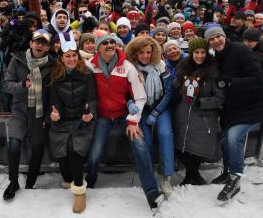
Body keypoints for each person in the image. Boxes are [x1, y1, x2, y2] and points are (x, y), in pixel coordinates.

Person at [86, 34, 164, 210]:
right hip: (103, 116)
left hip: (123, 115)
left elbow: (140, 97)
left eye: (112, 42)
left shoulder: (127, 66)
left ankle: (152, 192)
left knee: (140, 145)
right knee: (95, 154)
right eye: (104, 43)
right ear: (98, 48)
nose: (109, 45)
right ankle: (89, 183)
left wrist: (133, 121)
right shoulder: (90, 66)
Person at [204, 26, 263, 202]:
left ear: (224, 36)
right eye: (212, 39)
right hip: (233, 106)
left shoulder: (241, 50)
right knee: (225, 139)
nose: (216, 41)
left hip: (253, 105)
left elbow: (257, 79)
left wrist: (230, 83)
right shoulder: (217, 56)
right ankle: (227, 171)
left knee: (234, 137)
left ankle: (235, 179)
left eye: (218, 36)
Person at [3, 29, 54, 200]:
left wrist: (48, 116)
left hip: (40, 111)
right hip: (20, 109)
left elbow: (54, 93)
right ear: (31, 43)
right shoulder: (17, 60)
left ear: (48, 48)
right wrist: (22, 86)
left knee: (37, 148)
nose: (39, 45)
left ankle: (31, 182)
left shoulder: (52, 64)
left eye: (44, 43)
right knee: (14, 144)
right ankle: (13, 181)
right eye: (37, 42)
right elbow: (7, 85)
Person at [48, 35, 97, 213]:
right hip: (62, 121)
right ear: (61, 58)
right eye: (67, 56)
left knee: (74, 149)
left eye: (74, 55)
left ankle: (79, 191)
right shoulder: (55, 75)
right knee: (61, 151)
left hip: (82, 121)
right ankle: (68, 178)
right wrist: (54, 115)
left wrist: (89, 114)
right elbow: (54, 102)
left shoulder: (87, 74)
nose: (71, 59)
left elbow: (91, 98)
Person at [124, 37, 174, 197]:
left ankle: (166, 176)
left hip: (159, 107)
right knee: (144, 140)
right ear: (135, 53)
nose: (145, 56)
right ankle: (149, 175)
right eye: (141, 52)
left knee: (165, 134)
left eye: (148, 52)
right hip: (141, 109)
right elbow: (124, 91)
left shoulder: (160, 66)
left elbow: (168, 93)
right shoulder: (129, 67)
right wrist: (129, 103)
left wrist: (156, 112)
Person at [173, 37, 224, 185]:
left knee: (200, 148)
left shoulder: (213, 71)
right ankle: (193, 175)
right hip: (183, 113)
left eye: (203, 52)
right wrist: (178, 84)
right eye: (196, 52)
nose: (200, 56)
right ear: (191, 53)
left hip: (204, 116)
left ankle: (191, 176)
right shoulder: (183, 67)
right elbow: (175, 90)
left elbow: (219, 98)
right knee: (179, 146)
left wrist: (201, 102)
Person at [242, 29, 263, 104]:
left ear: (257, 41)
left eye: (250, 41)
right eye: (244, 40)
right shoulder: (240, 52)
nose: (246, 43)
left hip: (259, 93)